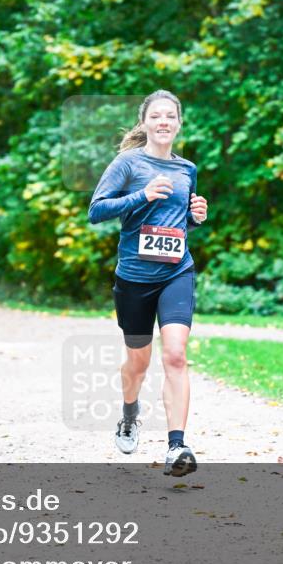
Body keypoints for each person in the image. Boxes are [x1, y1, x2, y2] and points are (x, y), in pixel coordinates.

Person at [88, 90, 208, 477]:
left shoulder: (186, 169)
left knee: (175, 354)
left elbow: (176, 224)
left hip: (176, 271)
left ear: (178, 123)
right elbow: (96, 210)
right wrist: (140, 195)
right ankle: (128, 414)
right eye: (156, 116)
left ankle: (177, 446)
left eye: (170, 116)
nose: (163, 122)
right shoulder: (127, 163)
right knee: (138, 363)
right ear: (145, 123)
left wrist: (195, 216)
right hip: (135, 278)